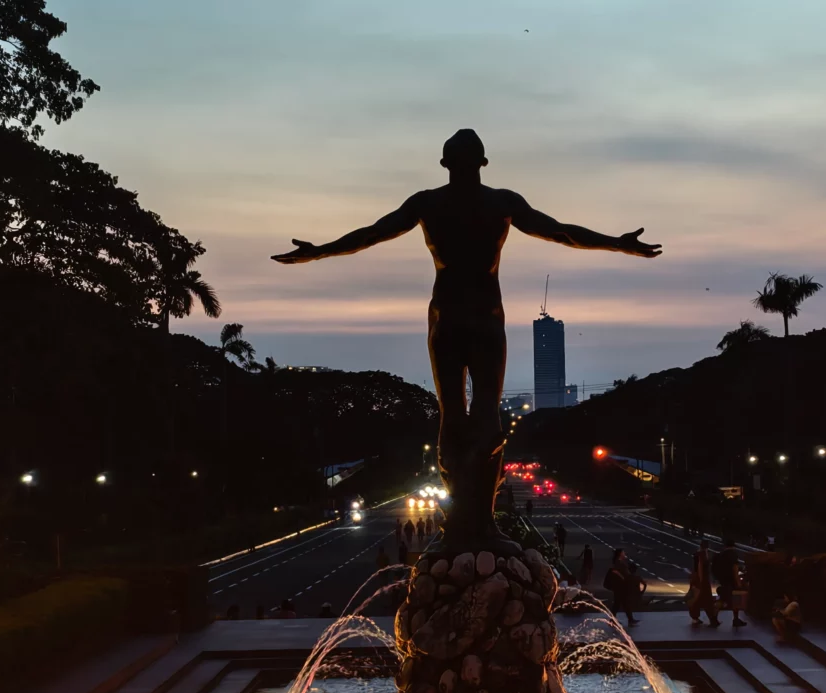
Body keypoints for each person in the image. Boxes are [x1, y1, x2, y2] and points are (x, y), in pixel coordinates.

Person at [271, 130, 660, 545]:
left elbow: (371, 234)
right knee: (484, 417)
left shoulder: (428, 203)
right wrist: (616, 244)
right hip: (486, 319)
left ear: (445, 165)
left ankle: (461, 520)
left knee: (452, 417)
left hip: (446, 318)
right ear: (483, 164)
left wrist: (320, 251)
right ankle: (481, 522)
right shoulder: (501, 202)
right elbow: (562, 232)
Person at [712, 539, 746, 627]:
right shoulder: (733, 555)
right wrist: (738, 582)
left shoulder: (721, 554)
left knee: (727, 598)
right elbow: (735, 569)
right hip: (731, 581)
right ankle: (715, 618)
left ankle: (734, 619)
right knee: (730, 599)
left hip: (723, 580)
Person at [689, 540, 720, 627]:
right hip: (702, 580)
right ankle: (712, 619)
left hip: (698, 579)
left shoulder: (698, 553)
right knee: (706, 599)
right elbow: (700, 566)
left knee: (698, 599)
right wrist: (701, 579)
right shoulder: (702, 555)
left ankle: (696, 617)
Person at [604, 548, 638, 627]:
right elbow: (616, 572)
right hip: (620, 587)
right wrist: (623, 577)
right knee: (622, 603)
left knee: (620, 603)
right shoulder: (618, 563)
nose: (624, 553)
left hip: (620, 587)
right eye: (623, 552)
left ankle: (626, 619)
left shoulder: (619, 562)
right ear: (620, 554)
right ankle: (629, 620)